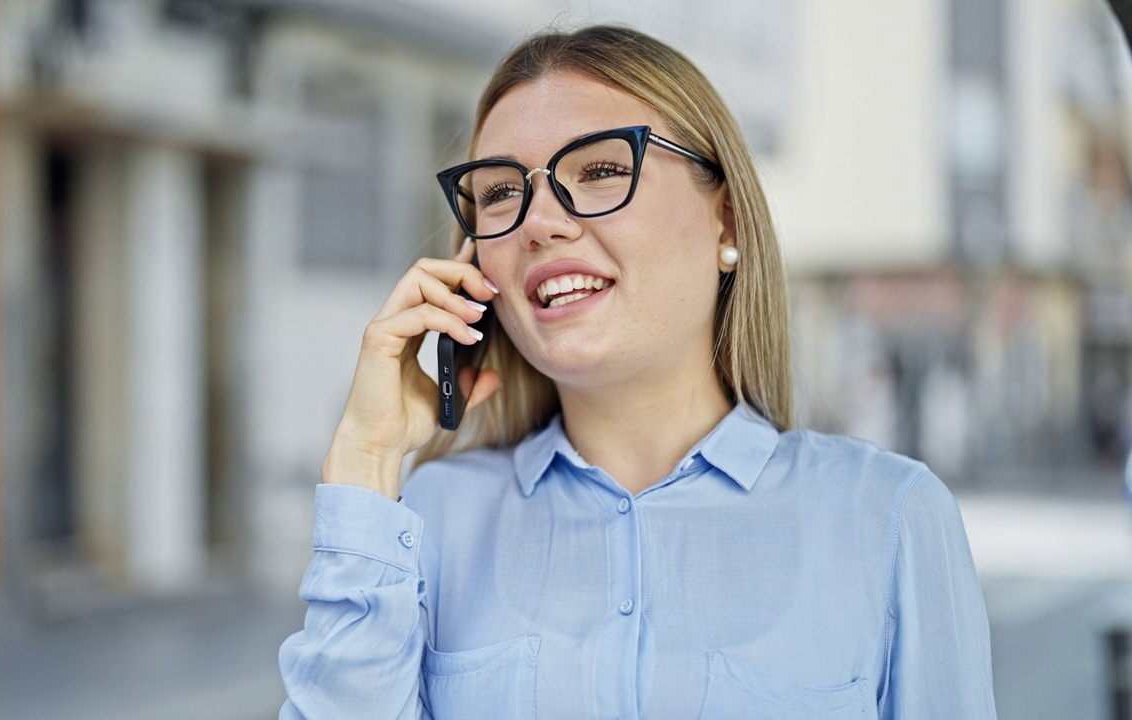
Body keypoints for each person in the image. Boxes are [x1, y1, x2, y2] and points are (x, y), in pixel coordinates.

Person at [279, 24, 997, 719]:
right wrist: (368, 460)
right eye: (499, 192)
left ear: (728, 225)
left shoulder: (889, 517)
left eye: (599, 171)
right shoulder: (434, 516)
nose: (539, 223)